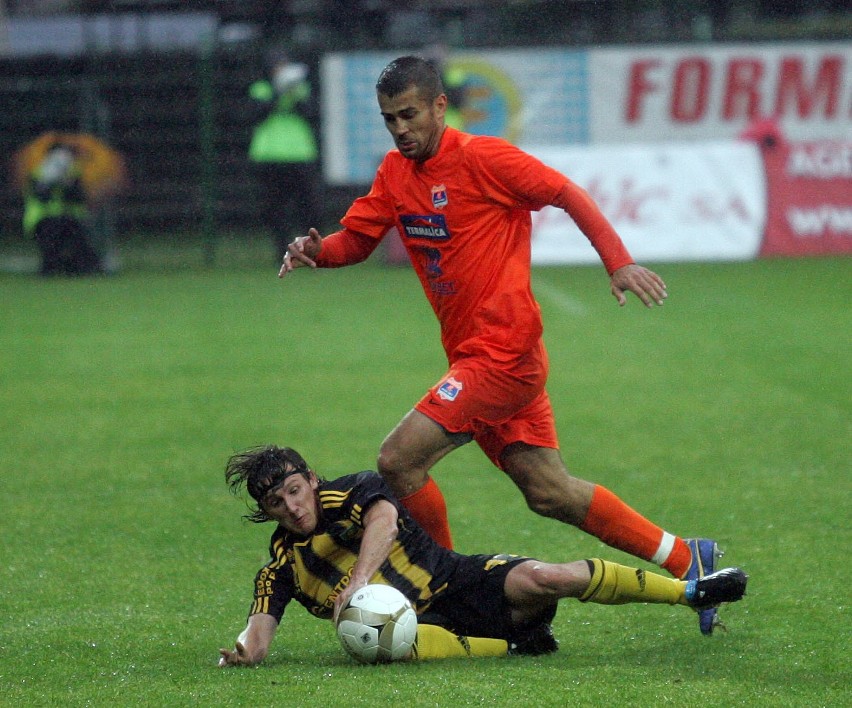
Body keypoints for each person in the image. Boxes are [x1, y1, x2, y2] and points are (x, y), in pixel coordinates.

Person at [278, 55, 723, 635]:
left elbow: (567, 192)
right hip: (475, 358)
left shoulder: (484, 158)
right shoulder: (395, 172)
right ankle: (688, 557)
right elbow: (356, 241)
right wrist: (320, 251)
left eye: (409, 114)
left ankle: (441, 587)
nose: (400, 128)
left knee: (397, 458)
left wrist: (618, 262)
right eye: (390, 118)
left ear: (441, 106)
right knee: (549, 492)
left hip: (503, 355)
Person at [218, 445, 748, 667]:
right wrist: (243, 652)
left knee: (546, 576)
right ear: (267, 512)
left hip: (456, 580)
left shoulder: (353, 492)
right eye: (275, 502)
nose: (291, 506)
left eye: (293, 490)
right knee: (396, 640)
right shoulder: (280, 568)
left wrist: (357, 582)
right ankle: (515, 647)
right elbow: (259, 630)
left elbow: (384, 517)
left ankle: (690, 590)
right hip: (423, 629)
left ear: (310, 480)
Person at [247, 49, 322, 262]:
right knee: (274, 207)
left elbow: (309, 112)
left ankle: (308, 249)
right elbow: (257, 114)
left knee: (309, 206)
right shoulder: (260, 89)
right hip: (269, 155)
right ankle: (282, 250)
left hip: (300, 154)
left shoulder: (301, 89)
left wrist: (293, 92)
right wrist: (278, 93)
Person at [22, 140, 103, 276]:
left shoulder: (73, 174)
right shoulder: (37, 174)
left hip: (69, 219)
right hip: (43, 219)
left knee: (79, 241)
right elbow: (41, 197)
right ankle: (50, 268)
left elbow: (79, 197)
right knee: (52, 237)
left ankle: (84, 267)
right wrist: (49, 182)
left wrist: (67, 184)